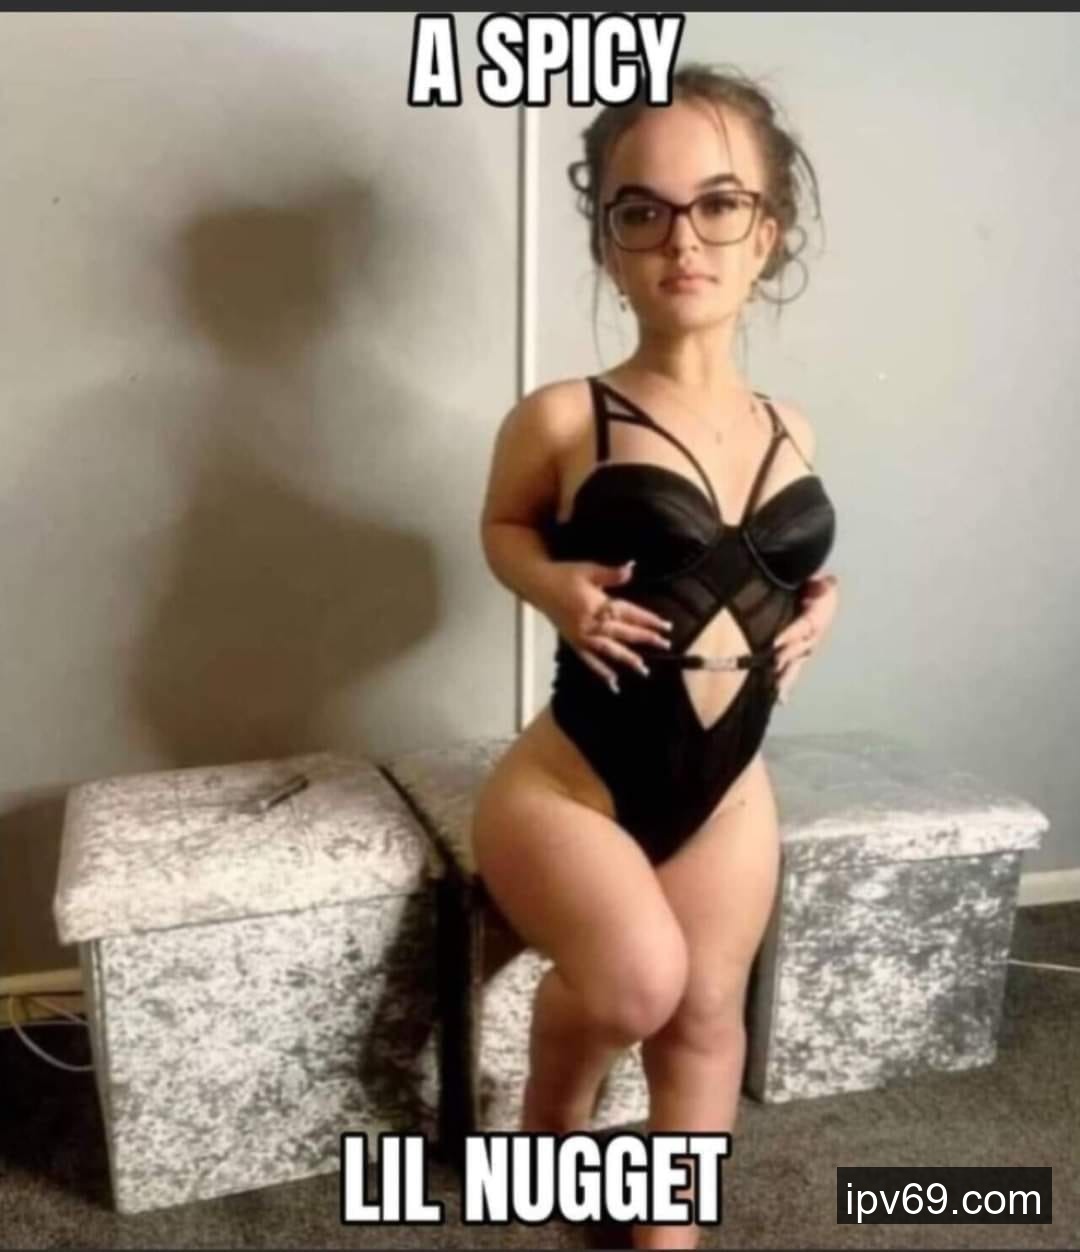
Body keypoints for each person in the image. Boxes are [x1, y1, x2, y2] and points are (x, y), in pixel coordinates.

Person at [472, 61, 840, 1250]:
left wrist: (821, 604)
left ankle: (668, 1231)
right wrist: (551, 585)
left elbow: (774, 568)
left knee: (707, 1014)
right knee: (637, 983)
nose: (684, 237)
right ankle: (550, 1124)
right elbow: (504, 528)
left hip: (728, 784)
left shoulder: (790, 425)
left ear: (766, 233)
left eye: (719, 203)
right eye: (645, 210)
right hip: (574, 781)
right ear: (611, 242)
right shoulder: (564, 415)